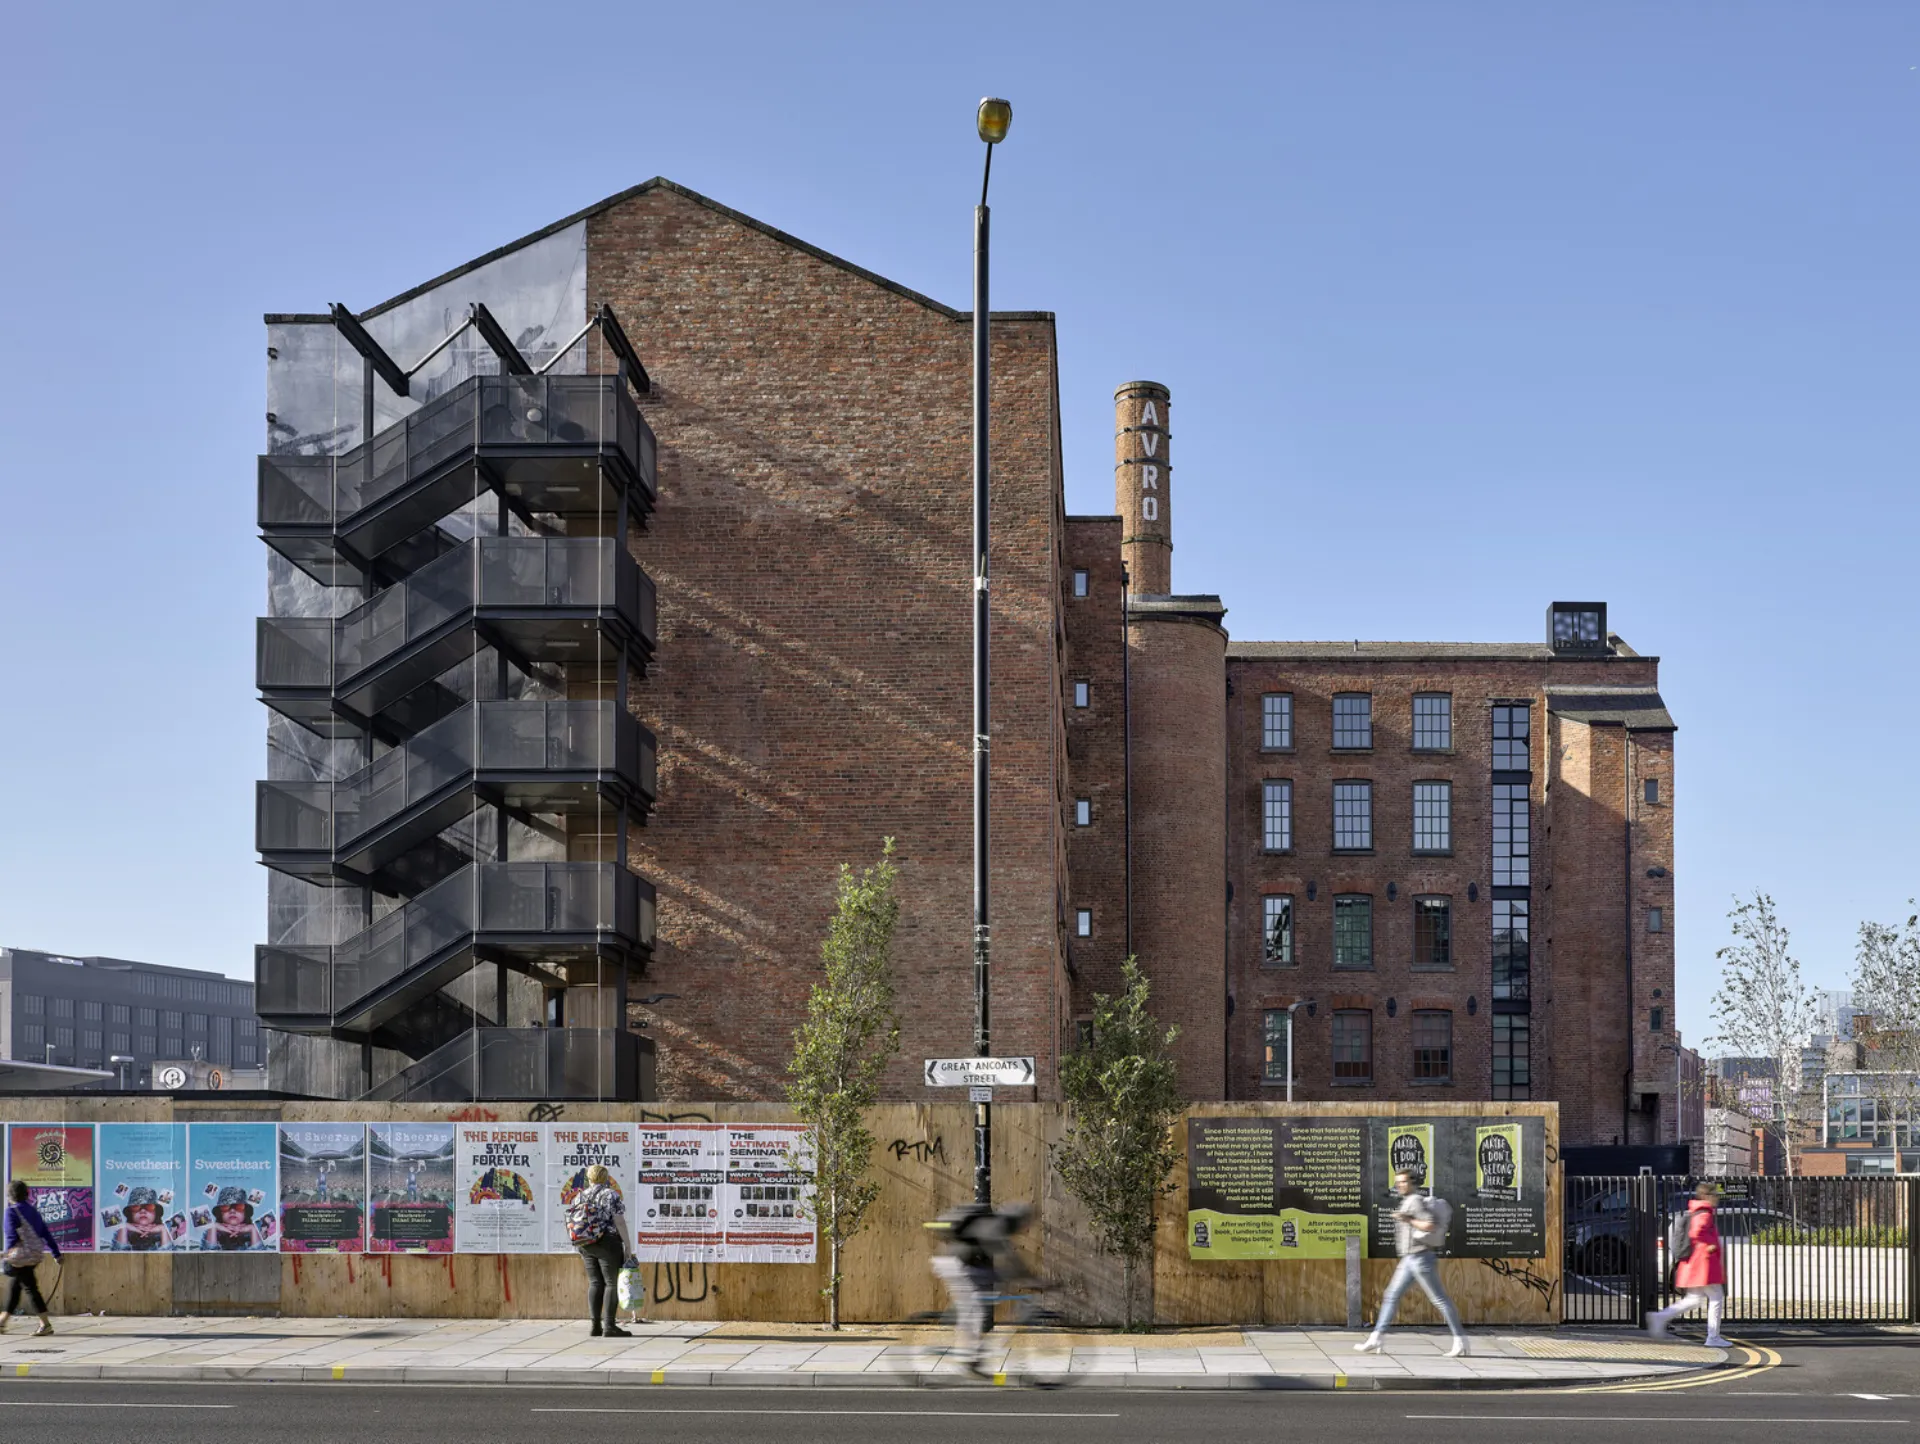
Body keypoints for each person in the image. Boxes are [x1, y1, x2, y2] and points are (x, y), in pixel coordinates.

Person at [1355, 1170, 1469, 1358]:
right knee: (1391, 1295)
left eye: (1403, 1182)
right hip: (1410, 1259)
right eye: (1397, 1182)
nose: (1399, 1185)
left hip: (1421, 1258)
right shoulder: (1408, 1200)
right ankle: (1377, 1338)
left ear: (1412, 1183)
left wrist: (1407, 1218)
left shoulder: (1415, 1200)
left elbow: (1430, 1224)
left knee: (1439, 1300)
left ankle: (1460, 1341)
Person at [928, 1202, 1034, 1375]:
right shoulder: (996, 1227)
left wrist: (1025, 1279)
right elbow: (1011, 1259)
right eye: (1025, 1223)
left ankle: (974, 1355)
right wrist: (1034, 1281)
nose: (1026, 1227)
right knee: (973, 1309)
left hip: (968, 1264)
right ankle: (969, 1359)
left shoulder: (998, 1227)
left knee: (991, 1290)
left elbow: (1010, 1263)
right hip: (954, 1264)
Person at [1647, 1182, 1730, 1349]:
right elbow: (1697, 1232)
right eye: (1715, 1195)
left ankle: (1660, 1317)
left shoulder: (1696, 1211)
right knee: (1716, 1297)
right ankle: (1713, 1337)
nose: (1717, 1199)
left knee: (1693, 1299)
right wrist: (1708, 1245)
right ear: (1707, 1196)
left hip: (1695, 1264)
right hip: (1704, 1263)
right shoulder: (1705, 1213)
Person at [566, 1164, 635, 1338]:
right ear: (605, 1177)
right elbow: (619, 1221)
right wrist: (627, 1245)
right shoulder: (611, 1195)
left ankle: (595, 1326)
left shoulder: (579, 1196)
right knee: (612, 1283)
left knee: (595, 1283)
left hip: (586, 1243)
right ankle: (609, 1326)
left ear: (589, 1178)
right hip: (608, 1242)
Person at [1, 1179, 62, 1336]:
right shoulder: (33, 1211)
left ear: (10, 1196)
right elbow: (46, 1233)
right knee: (17, 1286)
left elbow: (11, 1236)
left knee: (30, 1288)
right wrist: (56, 1253)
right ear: (26, 1194)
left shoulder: (11, 1212)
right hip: (34, 1255)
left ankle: (45, 1323)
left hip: (20, 1257)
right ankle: (2, 1321)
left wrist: (7, 1254)